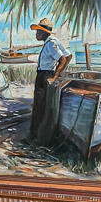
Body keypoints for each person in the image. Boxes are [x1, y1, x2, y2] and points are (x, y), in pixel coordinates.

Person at [27, 16, 72, 144]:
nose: (36, 34)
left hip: (44, 76)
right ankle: (37, 137)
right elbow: (69, 56)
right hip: (45, 74)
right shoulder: (52, 42)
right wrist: (58, 73)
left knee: (39, 107)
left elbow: (63, 60)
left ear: (43, 32)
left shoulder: (51, 44)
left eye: (38, 31)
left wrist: (55, 76)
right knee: (43, 107)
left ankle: (35, 138)